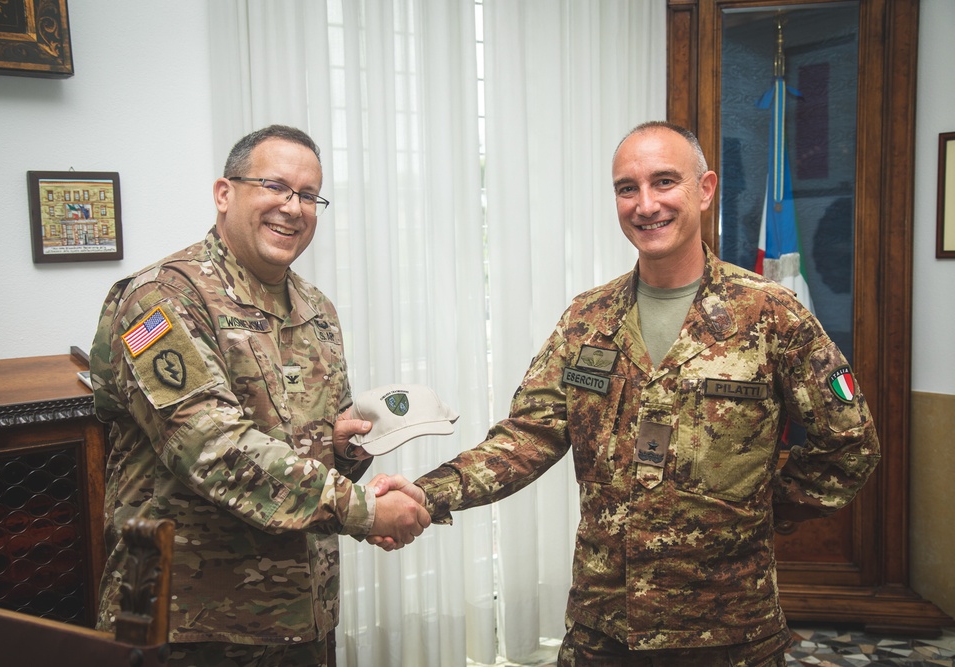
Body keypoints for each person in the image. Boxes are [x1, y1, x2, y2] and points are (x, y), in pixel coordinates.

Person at [369, 121, 880, 666]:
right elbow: (526, 437)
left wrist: (753, 508)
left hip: (728, 630)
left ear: (704, 190)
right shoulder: (588, 319)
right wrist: (428, 493)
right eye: (626, 188)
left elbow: (851, 446)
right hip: (605, 628)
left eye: (664, 182)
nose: (645, 204)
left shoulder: (771, 315)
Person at [89, 124, 431, 667]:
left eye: (308, 195)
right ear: (225, 193)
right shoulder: (159, 299)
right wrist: (362, 509)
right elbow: (209, 446)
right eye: (274, 187)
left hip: (299, 615)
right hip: (183, 622)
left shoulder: (315, 308)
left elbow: (300, 447)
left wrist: (341, 449)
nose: (293, 208)